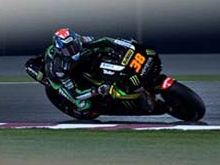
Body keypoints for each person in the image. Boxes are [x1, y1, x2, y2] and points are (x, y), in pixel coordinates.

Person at [26, 28, 162, 113]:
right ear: (60, 51)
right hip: (59, 80)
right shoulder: (58, 68)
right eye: (68, 50)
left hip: (82, 65)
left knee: (102, 51)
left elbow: (106, 41)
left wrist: (127, 44)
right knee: (84, 104)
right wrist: (96, 91)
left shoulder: (82, 40)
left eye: (74, 46)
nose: (73, 51)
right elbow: (75, 94)